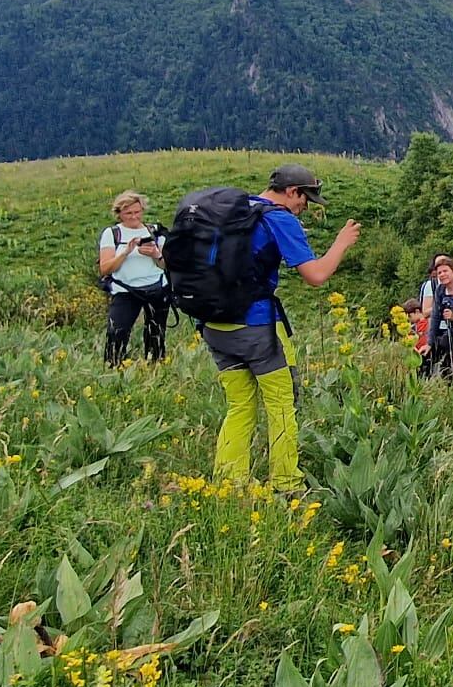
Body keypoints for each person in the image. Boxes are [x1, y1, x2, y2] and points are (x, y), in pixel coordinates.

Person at [204, 164, 359, 491]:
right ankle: (287, 483)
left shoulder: (232, 209)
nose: (306, 206)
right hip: (258, 327)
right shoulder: (278, 218)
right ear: (292, 192)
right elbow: (315, 276)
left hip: (213, 323)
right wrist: (342, 243)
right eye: (306, 198)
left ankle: (230, 483)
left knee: (240, 405)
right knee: (281, 405)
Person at [97, 191, 171, 366]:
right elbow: (105, 268)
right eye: (128, 213)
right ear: (119, 214)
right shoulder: (112, 233)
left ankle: (155, 368)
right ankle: (113, 368)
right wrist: (126, 252)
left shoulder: (153, 230)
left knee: (156, 334)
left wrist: (155, 254)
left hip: (156, 288)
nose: (134, 217)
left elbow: (166, 265)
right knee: (117, 333)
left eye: (137, 212)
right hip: (125, 290)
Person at [418, 255, 453, 379]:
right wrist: (429, 343)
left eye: (445, 271)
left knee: (447, 342)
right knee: (426, 354)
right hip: (446, 331)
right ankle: (424, 384)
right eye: (439, 273)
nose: (442, 275)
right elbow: (435, 316)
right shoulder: (440, 290)